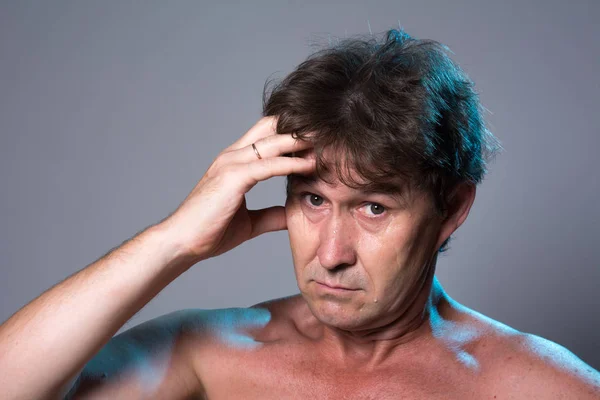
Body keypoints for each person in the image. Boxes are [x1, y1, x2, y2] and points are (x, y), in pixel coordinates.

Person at [0, 28, 598, 400]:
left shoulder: (531, 387)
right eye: (312, 199)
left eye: (372, 207)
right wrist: (175, 240)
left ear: (452, 210)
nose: (331, 253)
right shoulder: (214, 355)